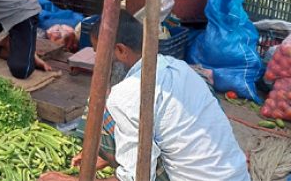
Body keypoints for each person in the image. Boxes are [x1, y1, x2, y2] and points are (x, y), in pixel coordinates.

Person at [39, 11, 249, 181]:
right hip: (237, 175)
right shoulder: (179, 67)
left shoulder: (127, 94)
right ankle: (122, 156)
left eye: (99, 52)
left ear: (121, 50)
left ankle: (121, 158)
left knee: (97, 107)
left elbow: (136, 179)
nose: (97, 61)